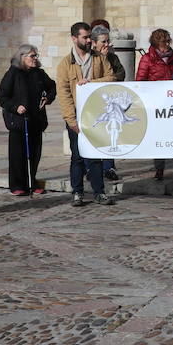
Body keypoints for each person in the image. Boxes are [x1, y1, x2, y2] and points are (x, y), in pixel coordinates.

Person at [57, 21, 118, 207]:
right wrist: (71, 120)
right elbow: (64, 93)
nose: (89, 40)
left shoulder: (99, 58)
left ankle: (99, 192)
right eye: (85, 37)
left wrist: (92, 82)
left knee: (96, 154)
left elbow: (111, 77)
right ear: (74, 38)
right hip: (76, 114)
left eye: (89, 36)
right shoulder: (65, 64)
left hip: (96, 113)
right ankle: (77, 192)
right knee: (77, 156)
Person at [0, 44, 57, 196]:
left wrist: (47, 98)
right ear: (22, 57)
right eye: (32, 56)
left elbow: (52, 87)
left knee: (34, 154)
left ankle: (32, 182)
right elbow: (2, 97)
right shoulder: (13, 73)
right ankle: (17, 184)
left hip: (36, 120)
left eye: (36, 55)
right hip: (19, 121)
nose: (35, 58)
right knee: (18, 155)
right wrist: (15, 107)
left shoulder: (39, 73)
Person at [136, 27, 173, 180]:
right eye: (164, 42)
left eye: (168, 41)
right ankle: (159, 169)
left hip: (172, 104)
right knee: (159, 138)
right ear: (156, 43)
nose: (167, 44)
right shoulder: (147, 59)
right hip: (156, 105)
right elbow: (140, 81)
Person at [90, 24, 124, 183]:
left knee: (109, 134)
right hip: (93, 102)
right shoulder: (90, 57)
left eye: (107, 41)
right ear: (94, 42)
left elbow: (120, 74)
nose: (106, 44)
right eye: (103, 41)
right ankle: (91, 168)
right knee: (94, 135)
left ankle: (108, 167)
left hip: (110, 102)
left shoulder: (112, 57)